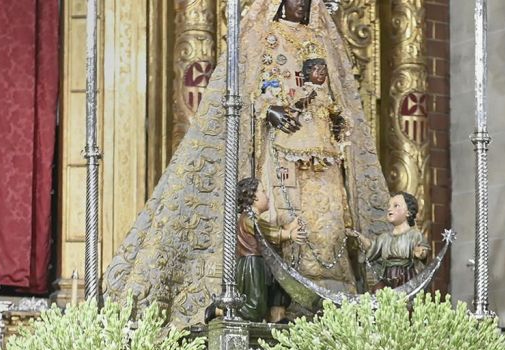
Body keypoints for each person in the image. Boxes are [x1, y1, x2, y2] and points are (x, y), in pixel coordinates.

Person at [105, 0, 392, 326]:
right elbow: (254, 90)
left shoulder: (320, 38)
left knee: (328, 226)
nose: (303, 5)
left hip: (324, 152)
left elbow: (335, 96)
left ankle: (329, 304)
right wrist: (270, 109)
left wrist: (336, 121)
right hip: (283, 148)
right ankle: (280, 306)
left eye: (308, 0)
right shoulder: (266, 35)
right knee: (283, 219)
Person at [235, 176, 305, 322]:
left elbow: (268, 230)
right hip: (252, 264)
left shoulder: (256, 218)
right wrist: (288, 234)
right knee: (255, 307)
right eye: (263, 192)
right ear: (253, 197)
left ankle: (277, 319)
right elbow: (265, 232)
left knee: (278, 289)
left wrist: (290, 228)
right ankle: (219, 309)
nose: (267, 196)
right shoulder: (249, 218)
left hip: (264, 263)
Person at [347, 192, 430, 290]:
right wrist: (358, 236)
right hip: (387, 278)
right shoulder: (385, 238)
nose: (390, 209)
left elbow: (423, 250)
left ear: (408, 212)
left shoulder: (414, 235)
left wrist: (421, 253)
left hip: (406, 278)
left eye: (396, 206)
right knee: (377, 292)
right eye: (389, 206)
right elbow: (372, 248)